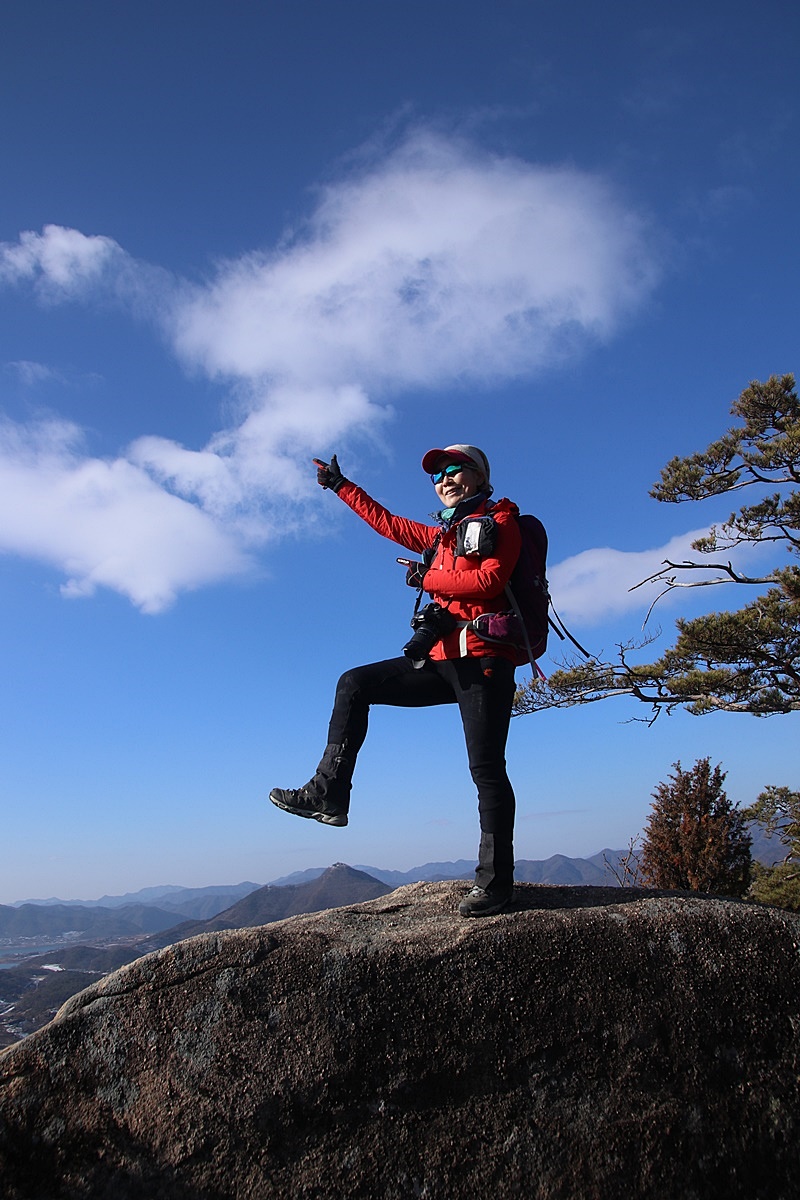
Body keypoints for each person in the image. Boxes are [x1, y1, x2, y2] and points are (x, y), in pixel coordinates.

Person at [269, 444, 524, 917]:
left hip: (484, 659)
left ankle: (496, 882)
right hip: (441, 658)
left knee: (486, 767)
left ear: (479, 476)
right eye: (437, 475)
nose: (445, 480)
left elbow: (489, 582)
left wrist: (429, 580)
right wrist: (341, 486)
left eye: (455, 469)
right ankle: (328, 793)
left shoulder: (502, 522)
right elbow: (387, 524)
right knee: (354, 684)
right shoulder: (442, 536)